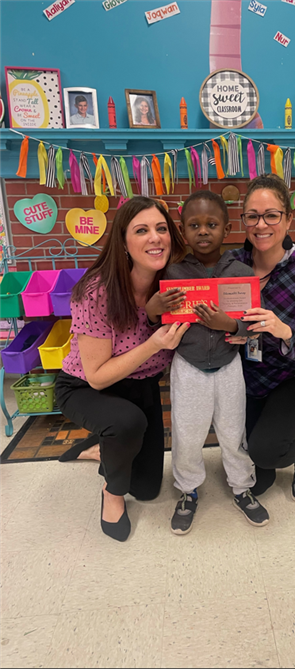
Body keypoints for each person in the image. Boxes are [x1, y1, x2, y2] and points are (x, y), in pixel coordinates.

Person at [55, 197, 190, 542]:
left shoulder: (174, 283)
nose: (155, 238)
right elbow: (98, 375)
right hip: (86, 387)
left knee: (147, 489)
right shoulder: (96, 291)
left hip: (141, 386)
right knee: (127, 424)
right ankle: (110, 494)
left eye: (161, 229)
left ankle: (99, 447)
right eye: (141, 230)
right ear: (124, 242)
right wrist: (155, 344)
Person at [145, 191, 270, 535]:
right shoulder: (172, 272)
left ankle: (242, 487)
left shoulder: (242, 272)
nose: (203, 231)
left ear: (227, 229)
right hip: (189, 365)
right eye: (194, 225)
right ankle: (187, 490)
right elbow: (157, 320)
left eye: (211, 224)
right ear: (183, 232)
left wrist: (229, 325)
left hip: (229, 365)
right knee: (187, 432)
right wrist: (154, 307)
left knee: (233, 431)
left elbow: (252, 325)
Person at [228, 174, 295, 500]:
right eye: (253, 216)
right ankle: (270, 449)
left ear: (288, 219)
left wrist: (284, 331)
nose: (262, 225)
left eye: (272, 215)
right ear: (244, 220)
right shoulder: (232, 264)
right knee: (258, 483)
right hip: (250, 376)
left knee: (266, 452)